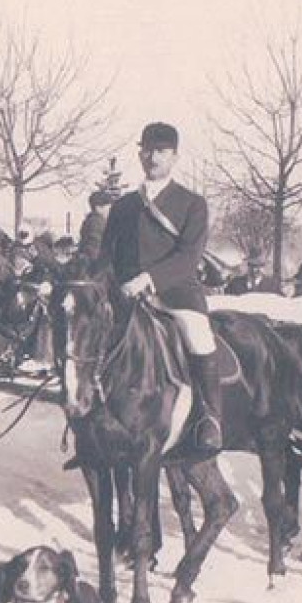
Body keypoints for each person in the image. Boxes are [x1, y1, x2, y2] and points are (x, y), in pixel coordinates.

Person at [100, 121, 220, 456]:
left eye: (161, 151)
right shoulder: (124, 206)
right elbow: (107, 254)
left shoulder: (192, 203)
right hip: (124, 296)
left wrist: (149, 279)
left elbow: (188, 257)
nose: (153, 157)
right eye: (148, 150)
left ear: (174, 157)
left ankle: (210, 419)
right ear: (140, 153)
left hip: (175, 293)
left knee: (198, 336)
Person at [78, 191, 113, 272]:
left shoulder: (91, 221)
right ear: (98, 208)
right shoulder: (97, 223)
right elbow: (94, 249)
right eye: (109, 208)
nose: (111, 211)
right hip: (99, 271)